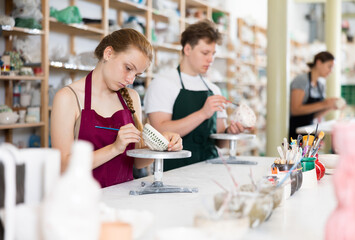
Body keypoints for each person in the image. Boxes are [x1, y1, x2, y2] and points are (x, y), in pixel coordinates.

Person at [51, 29, 183, 188]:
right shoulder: (68, 97)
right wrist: (115, 148)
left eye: (137, 75)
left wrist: (162, 146)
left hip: (122, 198)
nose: (130, 80)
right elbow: (63, 166)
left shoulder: (131, 98)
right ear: (108, 53)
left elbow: (138, 162)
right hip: (84, 201)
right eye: (128, 68)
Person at [144, 20, 248, 171]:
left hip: (210, 168)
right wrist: (203, 113)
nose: (210, 59)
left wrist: (230, 132)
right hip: (175, 172)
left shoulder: (213, 90)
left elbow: (220, 142)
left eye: (213, 54)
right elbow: (159, 132)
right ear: (187, 49)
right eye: (205, 53)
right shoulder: (163, 83)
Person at [289, 51, 343, 140]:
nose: (331, 71)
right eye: (329, 66)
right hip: (296, 133)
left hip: (310, 131)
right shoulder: (302, 80)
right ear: (318, 63)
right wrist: (324, 104)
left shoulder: (320, 86)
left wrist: (330, 106)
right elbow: (295, 110)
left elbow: (314, 115)